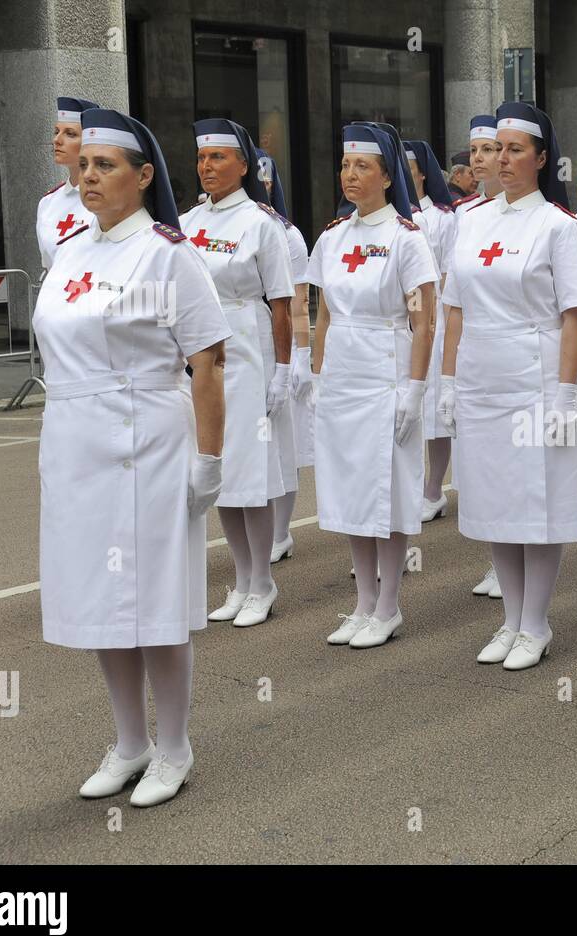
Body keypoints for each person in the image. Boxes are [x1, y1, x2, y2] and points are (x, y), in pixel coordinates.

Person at [37, 108, 229, 806]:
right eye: (83, 164)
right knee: (97, 599)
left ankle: (174, 745)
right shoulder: (70, 252)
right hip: (75, 442)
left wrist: (210, 460)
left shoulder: (167, 253)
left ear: (143, 176)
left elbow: (207, 361)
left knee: (152, 602)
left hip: (145, 439)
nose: (88, 175)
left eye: (105, 165)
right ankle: (128, 742)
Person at [439, 101, 577, 670]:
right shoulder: (471, 220)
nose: (502, 159)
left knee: (538, 500)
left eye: (515, 149)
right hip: (482, 374)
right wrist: (449, 380)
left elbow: (575, 316)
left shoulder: (558, 226)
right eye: (496, 148)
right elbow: (453, 308)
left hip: (535, 373)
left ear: (541, 158)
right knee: (494, 500)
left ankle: (536, 623)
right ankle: (509, 617)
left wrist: (565, 394)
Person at [308, 123, 438, 648]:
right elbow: (322, 316)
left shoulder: (405, 240)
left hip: (387, 370)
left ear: (387, 175)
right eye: (345, 165)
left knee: (387, 489)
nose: (351, 175)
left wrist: (414, 389)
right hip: (343, 373)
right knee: (349, 491)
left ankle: (389, 605)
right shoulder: (333, 237)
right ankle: (362, 600)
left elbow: (423, 321)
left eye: (363, 166)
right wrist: (315, 374)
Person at [181, 119, 295, 628]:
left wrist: (285, 370)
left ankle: (263, 583)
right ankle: (241, 579)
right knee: (219, 471)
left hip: (247, 346)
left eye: (219, 159)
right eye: (203, 159)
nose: (208, 167)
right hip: (200, 352)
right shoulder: (184, 223)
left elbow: (284, 305)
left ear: (244, 165)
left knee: (251, 471)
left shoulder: (260, 224)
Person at [255, 149, 314, 565]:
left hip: (281, 346)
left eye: (267, 178)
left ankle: (280, 531)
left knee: (284, 443)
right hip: (242, 346)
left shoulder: (287, 235)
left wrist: (301, 357)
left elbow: (298, 302)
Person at [458, 113, 507, 601]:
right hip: (478, 360)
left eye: (488, 150)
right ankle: (498, 561)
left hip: (521, 362)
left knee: (516, 475)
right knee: (486, 472)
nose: (480, 159)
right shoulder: (466, 216)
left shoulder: (547, 219)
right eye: (474, 152)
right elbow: (456, 300)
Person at [406, 139, 459, 524]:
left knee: (434, 411)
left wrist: (432, 319)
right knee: (408, 409)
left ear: (423, 172)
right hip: (399, 319)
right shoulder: (394, 217)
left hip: (434, 316)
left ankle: (433, 488)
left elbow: (448, 273)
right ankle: (408, 485)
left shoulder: (443, 217)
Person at [37, 96, 99, 269]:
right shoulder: (48, 203)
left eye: (70, 134)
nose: (57, 140)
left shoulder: (108, 200)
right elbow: (48, 266)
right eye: (56, 131)